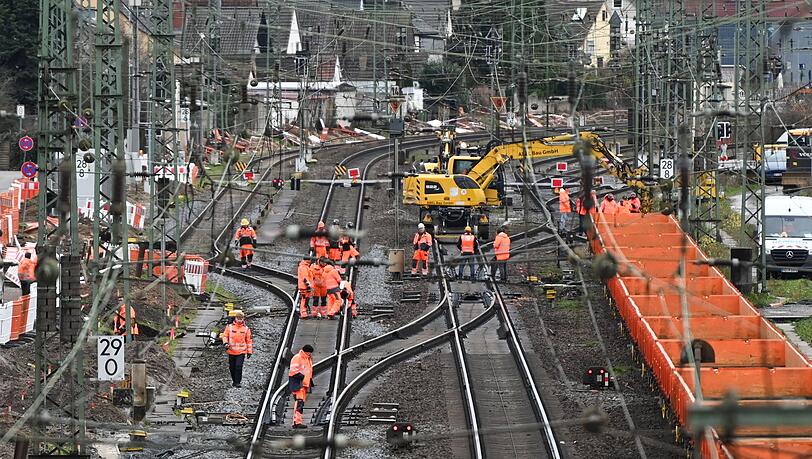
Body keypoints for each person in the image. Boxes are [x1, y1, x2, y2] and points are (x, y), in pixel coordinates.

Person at [222, 310, 253, 388]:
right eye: (238, 318)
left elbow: (249, 341)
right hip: (231, 351)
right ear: (235, 318)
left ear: (243, 319)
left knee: (238, 366)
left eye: (241, 318)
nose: (239, 319)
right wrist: (225, 343)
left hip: (241, 352)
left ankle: (237, 382)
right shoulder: (229, 327)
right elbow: (225, 336)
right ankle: (234, 381)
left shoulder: (246, 329)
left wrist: (249, 351)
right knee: (232, 367)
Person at [288, 344, 314, 429]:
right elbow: (293, 371)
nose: (310, 354)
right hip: (298, 384)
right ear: (306, 352)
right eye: (309, 353)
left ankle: (298, 421)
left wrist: (308, 382)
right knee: (299, 402)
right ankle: (297, 422)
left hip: (303, 384)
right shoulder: (298, 358)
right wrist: (303, 377)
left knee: (301, 403)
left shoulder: (307, 358)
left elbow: (308, 371)